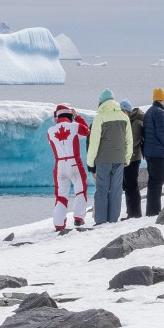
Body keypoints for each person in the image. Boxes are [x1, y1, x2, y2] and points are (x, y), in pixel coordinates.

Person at [85, 88, 132, 225]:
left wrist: (90, 162)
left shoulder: (100, 117)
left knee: (102, 190)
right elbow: (129, 140)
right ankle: (113, 220)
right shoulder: (124, 117)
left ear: (102, 102)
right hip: (119, 159)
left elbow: (94, 142)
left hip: (103, 160)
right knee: (116, 190)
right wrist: (127, 158)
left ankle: (100, 221)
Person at [47, 104, 90, 232]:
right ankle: (78, 217)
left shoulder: (50, 131)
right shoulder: (74, 126)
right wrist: (78, 117)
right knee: (80, 190)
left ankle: (59, 224)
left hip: (60, 164)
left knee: (61, 195)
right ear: (69, 115)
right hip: (74, 163)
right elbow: (87, 131)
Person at [142, 87, 164, 215]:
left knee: (153, 181)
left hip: (149, 152)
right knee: (158, 181)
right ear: (163, 98)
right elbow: (162, 133)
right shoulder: (159, 112)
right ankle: (155, 211)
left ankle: (151, 210)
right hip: (158, 153)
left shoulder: (149, 111)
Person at [120, 99, 145, 218]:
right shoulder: (132, 120)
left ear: (126, 111)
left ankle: (135, 213)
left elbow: (133, 141)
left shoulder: (135, 122)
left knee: (131, 185)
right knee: (129, 186)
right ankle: (131, 212)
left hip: (133, 157)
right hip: (130, 157)